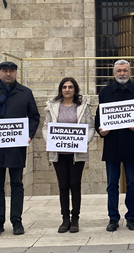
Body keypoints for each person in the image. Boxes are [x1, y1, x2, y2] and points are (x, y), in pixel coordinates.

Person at [0, 61, 40, 236]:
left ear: (16, 73)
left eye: (11, 70)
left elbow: (34, 116)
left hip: (16, 147)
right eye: (5, 70)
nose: (8, 74)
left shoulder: (25, 93)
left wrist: (29, 134)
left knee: (17, 184)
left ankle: (16, 220)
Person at [94, 59, 134, 232]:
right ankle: (113, 217)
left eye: (125, 70)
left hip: (131, 143)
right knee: (112, 184)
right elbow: (99, 116)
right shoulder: (105, 92)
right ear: (114, 73)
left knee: (133, 183)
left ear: (130, 72)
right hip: (111, 144)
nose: (122, 73)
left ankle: (131, 216)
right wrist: (100, 130)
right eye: (119, 70)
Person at [42, 77, 95, 233]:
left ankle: (75, 219)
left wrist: (86, 140)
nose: (67, 89)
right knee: (63, 186)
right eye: (64, 87)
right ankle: (65, 219)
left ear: (74, 89)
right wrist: (48, 140)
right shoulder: (52, 106)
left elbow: (90, 127)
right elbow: (46, 127)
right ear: (61, 89)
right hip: (59, 152)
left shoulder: (83, 106)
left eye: (70, 87)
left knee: (75, 185)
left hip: (77, 152)